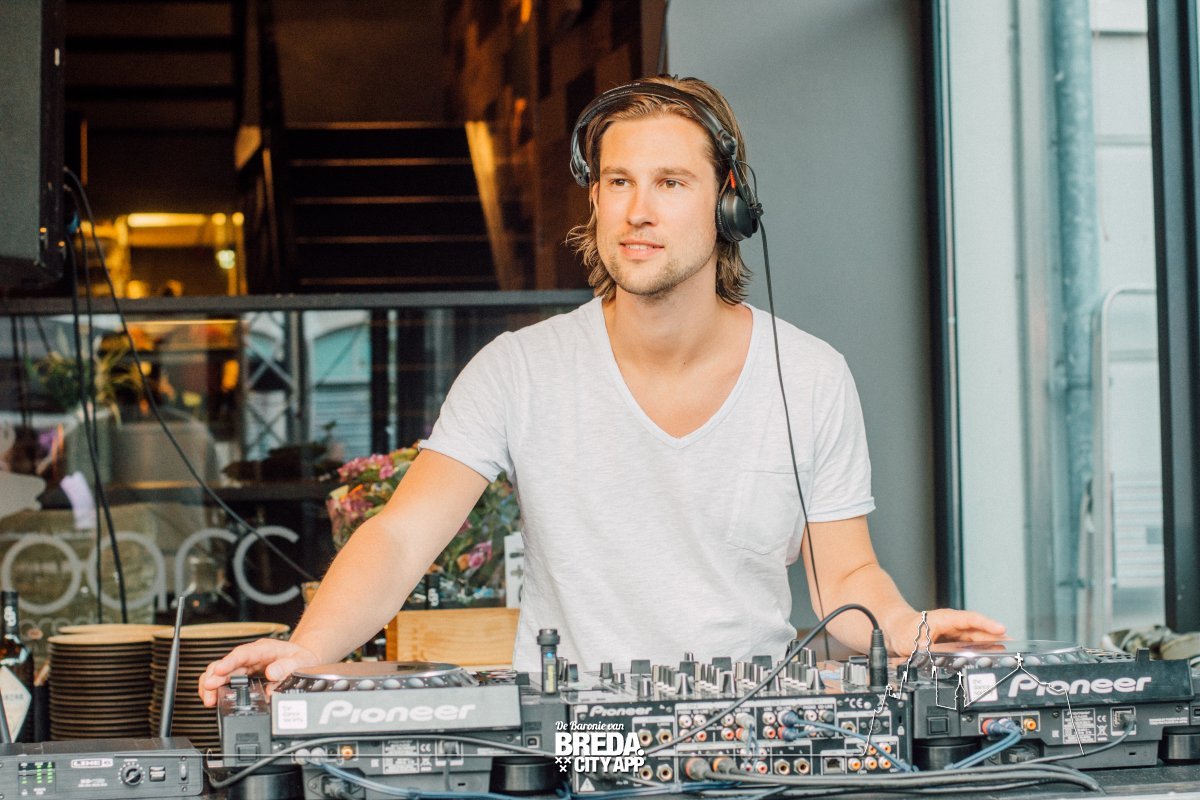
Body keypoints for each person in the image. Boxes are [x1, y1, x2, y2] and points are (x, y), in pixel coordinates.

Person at [199, 75, 1003, 707]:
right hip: (568, 749)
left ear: (729, 200)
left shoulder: (812, 376)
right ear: (594, 196)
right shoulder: (518, 368)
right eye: (618, 181)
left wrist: (906, 627)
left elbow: (845, 579)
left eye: (670, 182)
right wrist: (306, 648)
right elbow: (402, 536)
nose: (638, 211)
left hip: (749, 742)